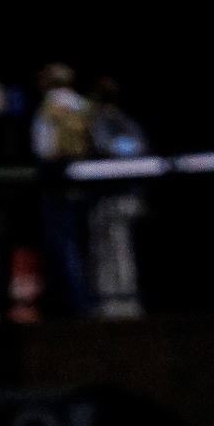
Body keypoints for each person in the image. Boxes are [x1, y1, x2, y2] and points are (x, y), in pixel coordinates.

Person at [30, 63, 95, 318]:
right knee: (84, 241)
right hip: (86, 179)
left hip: (57, 178)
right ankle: (89, 300)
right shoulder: (84, 105)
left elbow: (43, 147)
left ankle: (74, 305)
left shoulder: (50, 107)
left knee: (62, 244)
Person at [84, 75, 149, 319]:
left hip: (115, 197)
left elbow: (115, 149)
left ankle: (120, 305)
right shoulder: (126, 122)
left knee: (115, 250)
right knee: (116, 249)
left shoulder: (106, 121)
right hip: (120, 196)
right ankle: (119, 303)